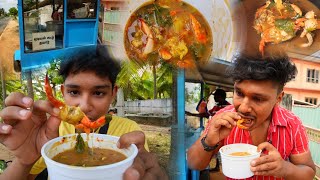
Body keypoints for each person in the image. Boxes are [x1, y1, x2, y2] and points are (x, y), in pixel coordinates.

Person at [0, 46, 167, 180]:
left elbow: (143, 170)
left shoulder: (128, 132)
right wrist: (23, 162)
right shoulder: (49, 134)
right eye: (74, 92)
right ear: (63, 92)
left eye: (98, 93)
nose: (85, 106)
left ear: (113, 93)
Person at [187, 55, 316, 179]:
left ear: (278, 98)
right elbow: (194, 163)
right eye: (239, 93)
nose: (243, 108)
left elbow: (308, 173)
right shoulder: (222, 119)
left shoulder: (292, 124)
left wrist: (285, 169)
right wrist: (209, 140)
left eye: (258, 98)